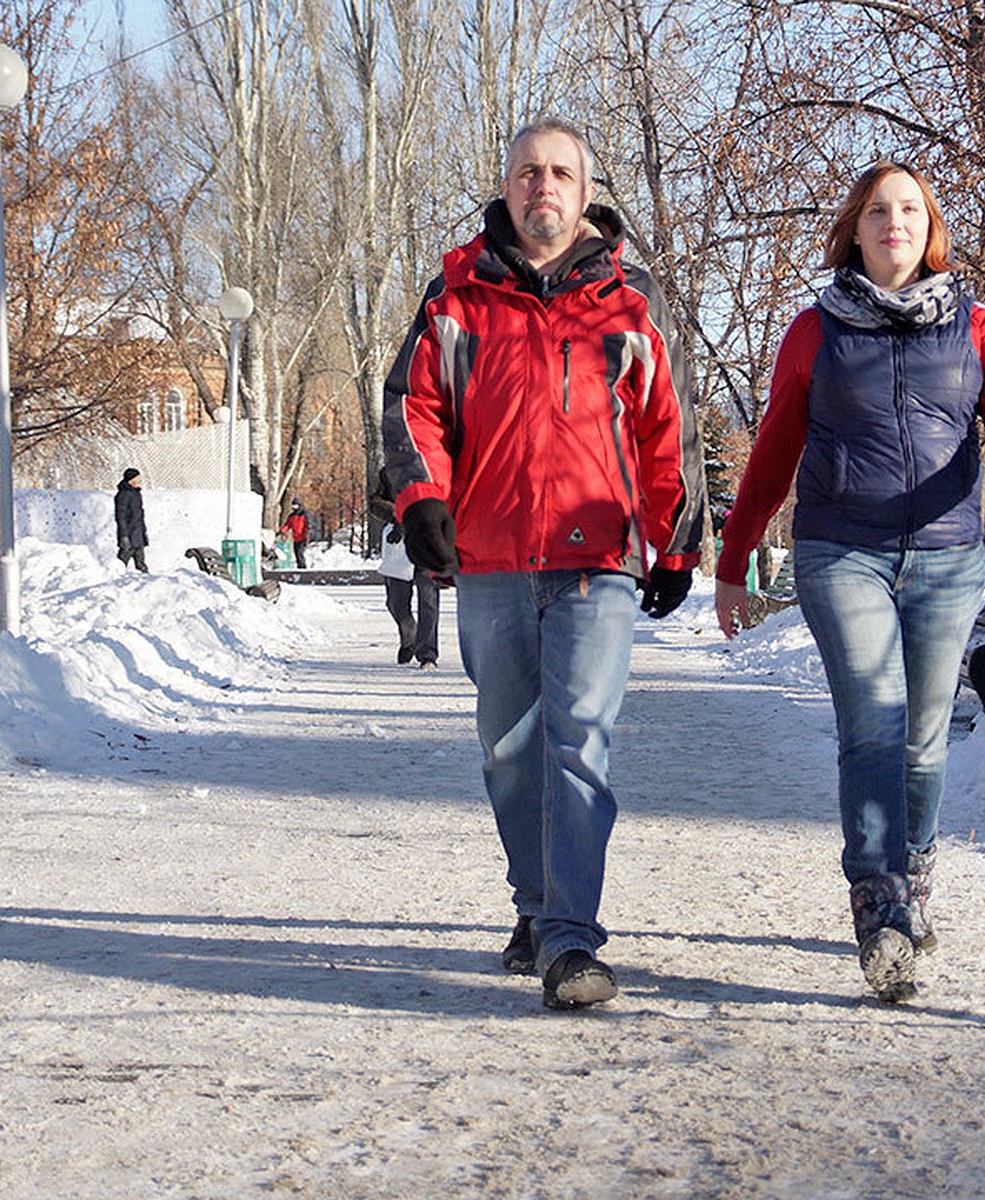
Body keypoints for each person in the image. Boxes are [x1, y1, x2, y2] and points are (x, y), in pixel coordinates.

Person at [381, 117, 707, 1010]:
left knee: (580, 745)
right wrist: (423, 500)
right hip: (489, 559)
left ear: (584, 189)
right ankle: (537, 904)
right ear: (507, 184)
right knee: (510, 752)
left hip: (596, 559)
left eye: (560, 172)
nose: (543, 187)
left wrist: (677, 537)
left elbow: (666, 429)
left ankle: (570, 939)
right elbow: (412, 406)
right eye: (528, 172)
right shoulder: (456, 298)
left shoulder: (630, 303)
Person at [715, 161, 985, 1003]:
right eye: (878, 210)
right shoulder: (815, 330)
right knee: (873, 725)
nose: (894, 222)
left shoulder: (975, 324)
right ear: (856, 229)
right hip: (843, 550)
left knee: (923, 737)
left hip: (946, 555)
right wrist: (734, 557)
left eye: (909, 209)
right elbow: (772, 452)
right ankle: (878, 906)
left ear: (928, 227)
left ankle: (914, 878)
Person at [378, 521, 441, 668]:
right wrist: (398, 517)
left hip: (428, 542)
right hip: (398, 544)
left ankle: (427, 655)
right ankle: (409, 637)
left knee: (428, 602)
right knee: (396, 603)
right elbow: (376, 502)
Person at [114, 467, 148, 572]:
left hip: (138, 535)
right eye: (137, 478)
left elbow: (139, 515)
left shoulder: (136, 494)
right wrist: (124, 536)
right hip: (129, 535)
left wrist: (143, 532)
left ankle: (147, 585)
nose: (139, 480)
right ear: (131, 479)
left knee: (141, 565)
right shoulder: (124, 495)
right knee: (121, 565)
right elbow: (121, 517)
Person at [279, 498, 309, 568]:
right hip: (295, 537)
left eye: (295, 505)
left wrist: (307, 536)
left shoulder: (304, 514)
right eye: (293, 505)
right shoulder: (292, 516)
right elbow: (288, 525)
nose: (294, 507)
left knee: (299, 552)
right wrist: (282, 531)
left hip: (302, 536)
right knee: (296, 552)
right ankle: (299, 566)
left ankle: (303, 567)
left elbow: (308, 525)